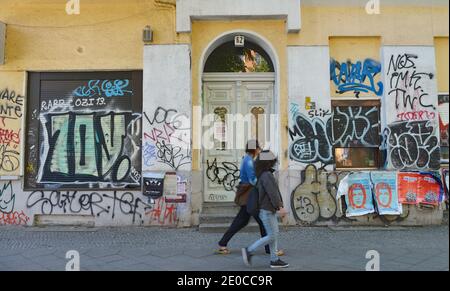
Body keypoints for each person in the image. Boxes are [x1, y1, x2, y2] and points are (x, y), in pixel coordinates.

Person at [216, 140, 284, 257]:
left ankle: (223, 244)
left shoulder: (247, 159)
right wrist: (264, 181)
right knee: (263, 222)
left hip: (248, 195)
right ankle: (270, 250)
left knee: (241, 221)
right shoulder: (249, 162)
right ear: (254, 149)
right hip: (250, 195)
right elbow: (253, 180)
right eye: (258, 147)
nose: (259, 149)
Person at [242, 150, 289, 269]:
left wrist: (279, 206)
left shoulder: (263, 174)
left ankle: (274, 260)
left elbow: (274, 192)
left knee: (274, 234)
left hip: (268, 210)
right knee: (272, 235)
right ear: (268, 162)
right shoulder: (267, 175)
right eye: (273, 160)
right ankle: (249, 250)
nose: (274, 162)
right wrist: (280, 207)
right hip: (267, 210)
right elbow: (272, 193)